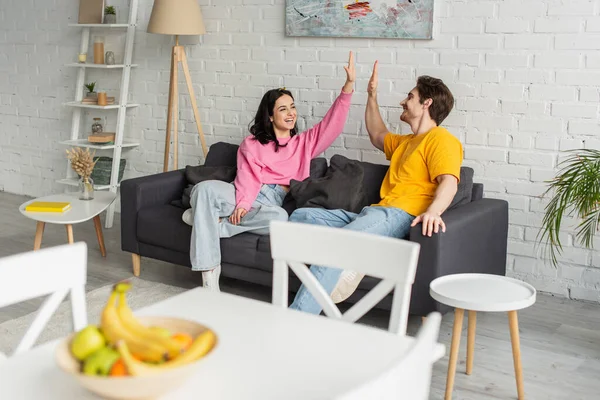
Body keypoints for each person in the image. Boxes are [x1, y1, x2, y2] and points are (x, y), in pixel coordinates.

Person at [288, 61, 464, 314]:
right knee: (299, 217)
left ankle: (296, 318)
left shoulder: (441, 139)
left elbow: (449, 181)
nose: (404, 101)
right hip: (373, 213)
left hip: (399, 215)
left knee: (339, 247)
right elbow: (376, 133)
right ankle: (360, 255)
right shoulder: (407, 142)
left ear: (427, 103)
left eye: (410, 96)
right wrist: (371, 95)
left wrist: (434, 212)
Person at [189, 52, 356, 291]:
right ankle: (209, 276)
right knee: (203, 189)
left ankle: (206, 222)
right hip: (242, 193)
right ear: (270, 115)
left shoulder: (304, 144)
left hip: (270, 203)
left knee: (281, 219)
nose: (290, 113)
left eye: (292, 108)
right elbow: (247, 176)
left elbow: (333, 125)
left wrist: (347, 88)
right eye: (283, 109)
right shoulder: (252, 143)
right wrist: (243, 204)